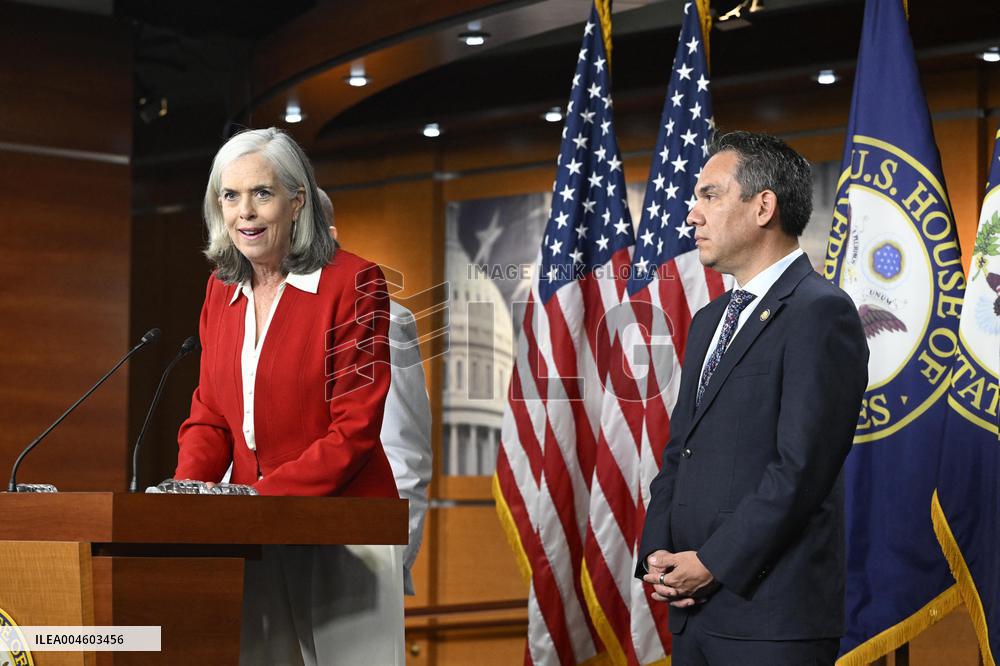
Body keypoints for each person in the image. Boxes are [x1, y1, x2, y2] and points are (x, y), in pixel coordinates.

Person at [636, 131, 869, 665]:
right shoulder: (708, 322)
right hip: (691, 612)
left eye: (709, 195)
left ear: (763, 206)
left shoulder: (820, 311)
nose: (692, 215)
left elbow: (801, 468)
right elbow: (680, 452)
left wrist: (713, 562)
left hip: (771, 620)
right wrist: (658, 554)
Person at [174, 127, 401, 665]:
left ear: (297, 200)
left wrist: (258, 501)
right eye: (230, 196)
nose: (244, 212)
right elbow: (210, 415)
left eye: (262, 194)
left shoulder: (355, 283)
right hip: (254, 537)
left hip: (344, 533)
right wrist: (185, 499)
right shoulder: (221, 289)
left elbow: (355, 429)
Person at [317, 188, 433, 596]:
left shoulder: (383, 318)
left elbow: (405, 454)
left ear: (327, 234)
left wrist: (388, 561)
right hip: (260, 555)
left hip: (353, 564)